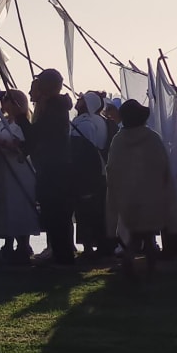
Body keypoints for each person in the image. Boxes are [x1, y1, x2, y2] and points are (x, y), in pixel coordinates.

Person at [105, 100, 177, 280]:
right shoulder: (152, 138)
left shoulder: (119, 140)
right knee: (148, 236)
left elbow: (112, 168)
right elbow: (162, 165)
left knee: (136, 235)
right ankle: (150, 267)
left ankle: (130, 262)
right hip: (151, 195)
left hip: (127, 197)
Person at [14, 68, 75, 265]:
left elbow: (37, 134)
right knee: (54, 213)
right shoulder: (53, 107)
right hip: (54, 166)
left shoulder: (54, 108)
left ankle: (62, 255)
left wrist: (21, 117)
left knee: (56, 213)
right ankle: (60, 253)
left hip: (54, 168)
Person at [0, 90, 40, 264]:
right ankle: (9, 245)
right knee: (5, 209)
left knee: (19, 206)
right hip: (3, 173)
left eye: (7, 100)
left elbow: (21, 147)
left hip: (18, 171)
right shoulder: (2, 123)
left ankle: (23, 246)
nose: (3, 103)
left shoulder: (21, 124)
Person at [70, 91, 109, 258]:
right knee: (95, 210)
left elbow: (84, 151)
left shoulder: (85, 123)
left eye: (81, 99)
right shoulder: (98, 121)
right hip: (96, 172)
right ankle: (97, 246)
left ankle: (89, 248)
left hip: (87, 173)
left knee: (87, 212)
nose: (77, 101)